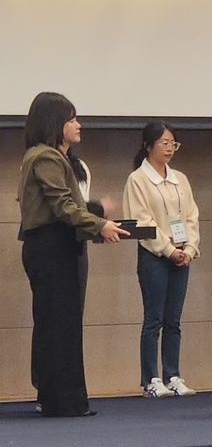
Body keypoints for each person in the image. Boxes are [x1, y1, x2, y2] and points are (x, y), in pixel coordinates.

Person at [18, 92, 128, 417]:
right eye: (72, 119)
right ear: (55, 123)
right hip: (52, 248)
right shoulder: (46, 157)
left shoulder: (48, 157)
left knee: (60, 324)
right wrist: (101, 224)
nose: (78, 125)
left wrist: (96, 221)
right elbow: (63, 206)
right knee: (60, 326)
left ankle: (61, 399)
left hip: (55, 245)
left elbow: (67, 206)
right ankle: (62, 401)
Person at [123, 121, 200, 398]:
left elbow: (191, 216)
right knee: (153, 318)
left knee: (174, 320)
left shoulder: (180, 179)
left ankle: (173, 375)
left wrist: (189, 248)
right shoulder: (138, 180)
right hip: (154, 256)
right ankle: (151, 380)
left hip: (181, 255)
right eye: (164, 143)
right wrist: (168, 250)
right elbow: (142, 221)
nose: (169, 149)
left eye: (173, 144)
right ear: (148, 146)